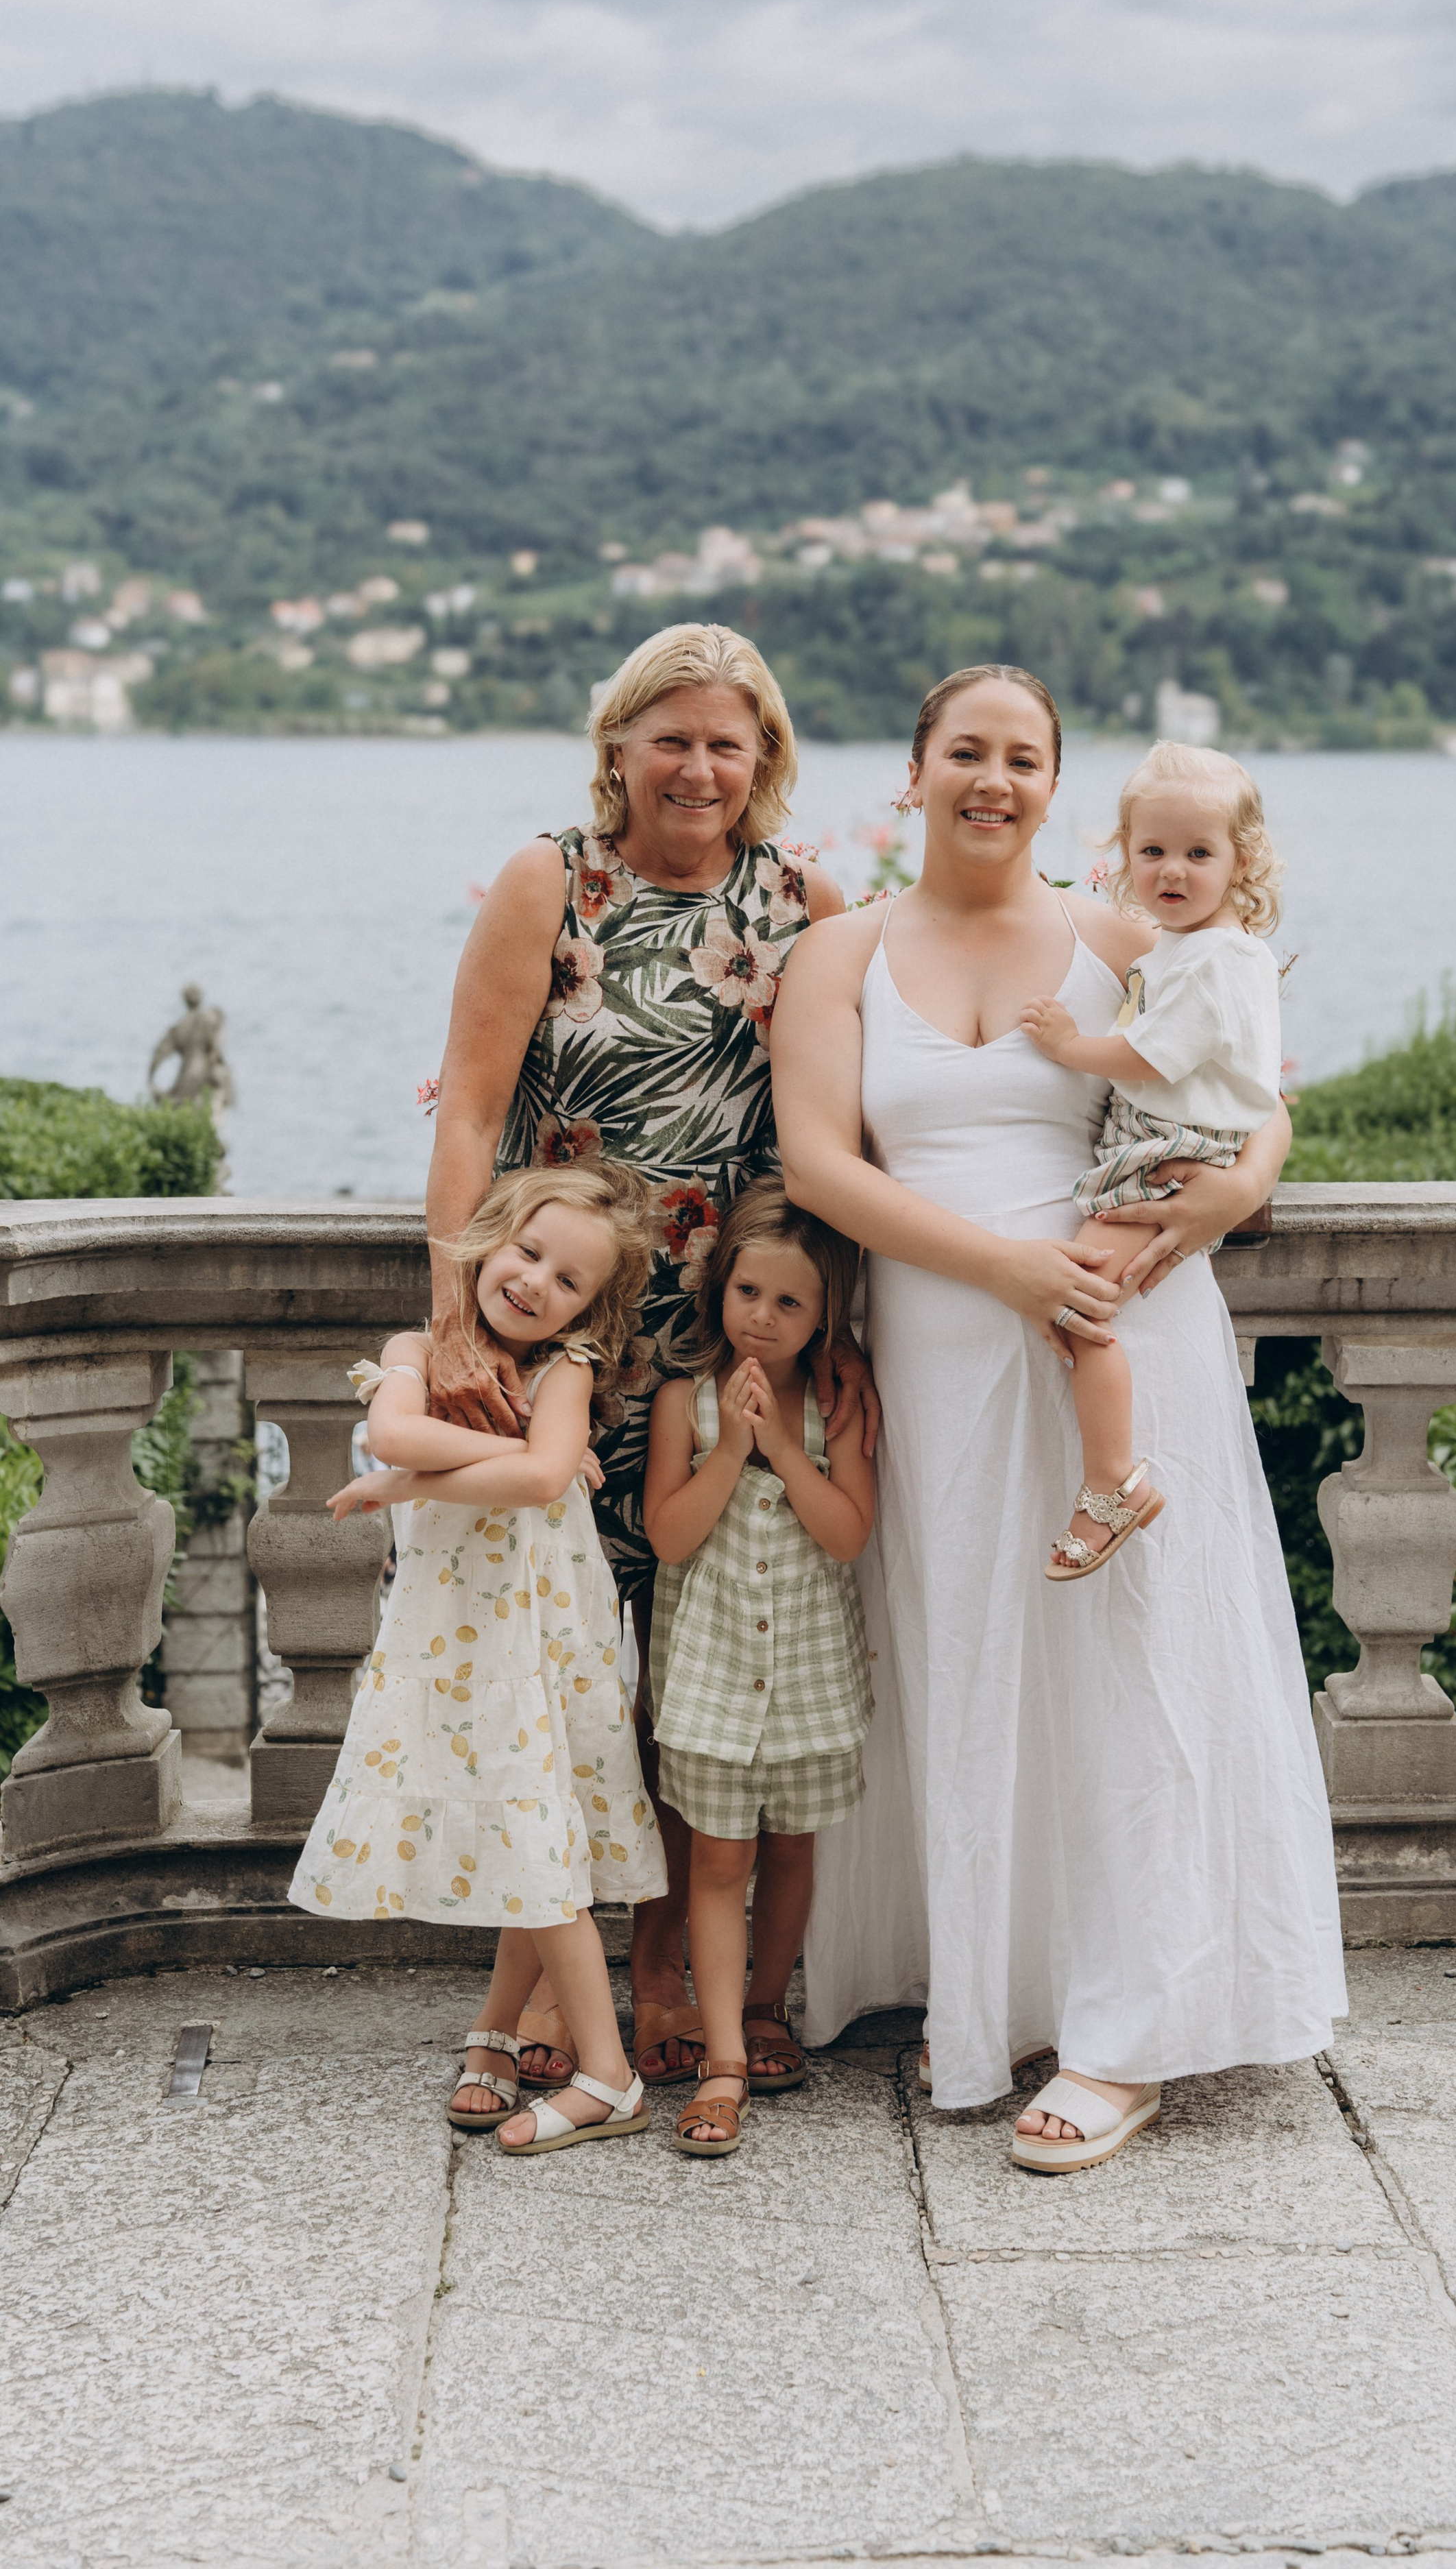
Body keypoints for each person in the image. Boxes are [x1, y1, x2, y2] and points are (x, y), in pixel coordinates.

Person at [773, 664, 1346, 2173]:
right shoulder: (839, 953)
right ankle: (993, 1986)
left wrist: (1235, 1189)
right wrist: (1004, 1267)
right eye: (965, 750)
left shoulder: (1117, 938)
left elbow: (1251, 1081)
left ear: (1053, 789)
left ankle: (1127, 2034)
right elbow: (823, 1170)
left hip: (1121, 1331)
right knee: (967, 1653)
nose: (992, 778)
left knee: (1132, 1673)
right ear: (914, 772)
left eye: (1022, 758)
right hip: (948, 1348)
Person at [420, 621, 875, 2111]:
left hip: (729, 1351)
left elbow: (877, 1097)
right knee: (560, 1672)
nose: (695, 765)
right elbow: (470, 1114)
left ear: (765, 763)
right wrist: (454, 1322)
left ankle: (682, 1974)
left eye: (725, 742)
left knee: (688, 1681)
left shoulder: (805, 900)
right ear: (616, 745)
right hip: (571, 1341)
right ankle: (553, 1983)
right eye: (667, 736)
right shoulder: (548, 882)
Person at [288, 1163, 668, 2156]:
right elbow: (393, 1422)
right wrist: (425, 1460)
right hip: (456, 1640)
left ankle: (608, 2075)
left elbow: (543, 1471)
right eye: (529, 1253)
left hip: (533, 1643)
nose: (539, 1283)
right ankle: (500, 2028)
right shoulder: (415, 1345)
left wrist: (405, 1481)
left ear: (593, 1308)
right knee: (517, 1819)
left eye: (570, 1281)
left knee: (537, 1831)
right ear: (488, 1240)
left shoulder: (566, 1370)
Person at [643, 1180, 875, 2156]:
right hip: (709, 1677)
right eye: (749, 1294)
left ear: (825, 1315)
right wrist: (732, 1446)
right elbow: (670, 1537)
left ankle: (769, 2006)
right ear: (720, 1290)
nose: (764, 1320)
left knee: (790, 1852)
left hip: (811, 1678)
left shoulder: (839, 1404)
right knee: (716, 1861)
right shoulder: (682, 1405)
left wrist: (781, 1439)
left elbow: (848, 1536)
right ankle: (724, 2059)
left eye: (791, 1303)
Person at [1019, 741, 1285, 1579]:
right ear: (1123, 854)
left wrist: (1070, 1045)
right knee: (1077, 1304)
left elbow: (1150, 1057)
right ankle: (1110, 1479)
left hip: (1169, 1158)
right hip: (1156, 1148)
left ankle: (1112, 1486)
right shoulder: (1192, 946)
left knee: (1078, 1308)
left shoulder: (1213, 960)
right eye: (1153, 851)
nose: (1172, 871)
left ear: (1241, 862)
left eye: (1198, 854)